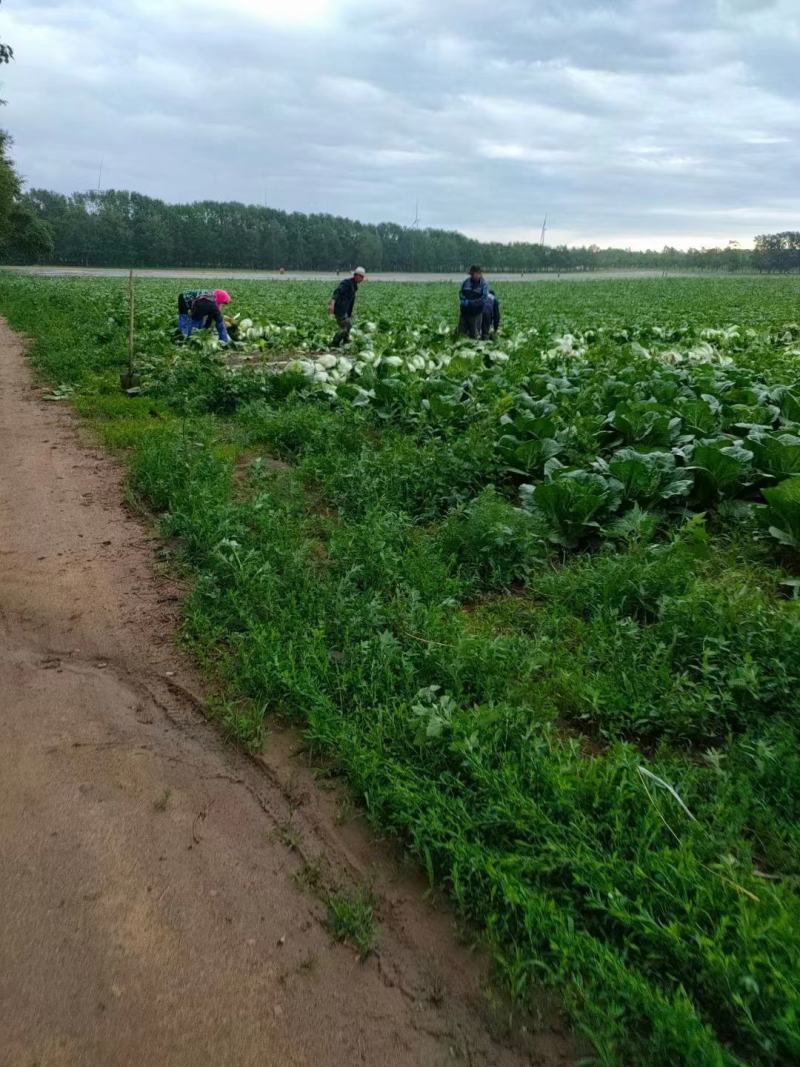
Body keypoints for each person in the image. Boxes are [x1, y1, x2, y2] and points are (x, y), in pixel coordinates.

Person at [328, 267, 366, 347]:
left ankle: (345, 340)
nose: (362, 279)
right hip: (338, 308)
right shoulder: (346, 283)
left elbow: (351, 301)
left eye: (363, 277)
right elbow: (337, 292)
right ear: (356, 275)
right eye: (361, 277)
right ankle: (334, 343)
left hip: (344, 309)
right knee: (344, 326)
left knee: (349, 324)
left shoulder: (354, 286)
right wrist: (332, 304)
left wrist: (349, 313)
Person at [458, 265, 488, 338]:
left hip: (476, 313)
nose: (476, 275)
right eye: (474, 274)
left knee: (475, 334)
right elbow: (461, 293)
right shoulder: (466, 282)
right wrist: (464, 300)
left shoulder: (483, 284)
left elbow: (484, 298)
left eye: (478, 274)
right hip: (464, 312)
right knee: (462, 332)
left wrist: (472, 303)